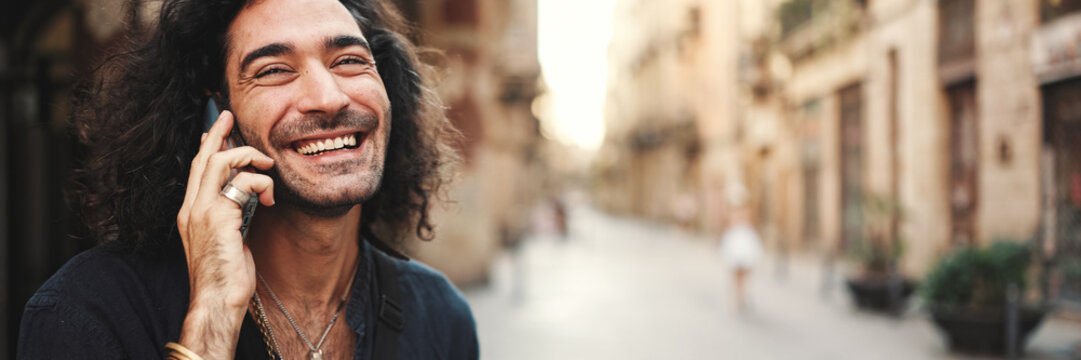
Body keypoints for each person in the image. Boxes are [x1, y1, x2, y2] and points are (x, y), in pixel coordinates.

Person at [17, 0, 478, 358]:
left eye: (349, 61)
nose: (329, 97)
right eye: (274, 70)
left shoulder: (441, 317)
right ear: (218, 113)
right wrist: (213, 315)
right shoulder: (86, 313)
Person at [718, 182, 763, 313]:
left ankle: (740, 296)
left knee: (738, 273)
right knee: (741, 273)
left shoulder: (735, 213)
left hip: (740, 242)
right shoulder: (745, 212)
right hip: (740, 243)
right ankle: (740, 296)